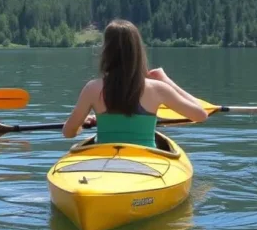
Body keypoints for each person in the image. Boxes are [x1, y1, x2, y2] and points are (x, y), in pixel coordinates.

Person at [61, 19, 208, 148]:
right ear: (137, 51)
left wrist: (81, 124)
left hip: (104, 160)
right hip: (145, 163)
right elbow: (200, 115)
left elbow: (68, 133)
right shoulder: (158, 89)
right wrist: (167, 82)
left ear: (106, 51)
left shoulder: (92, 88)